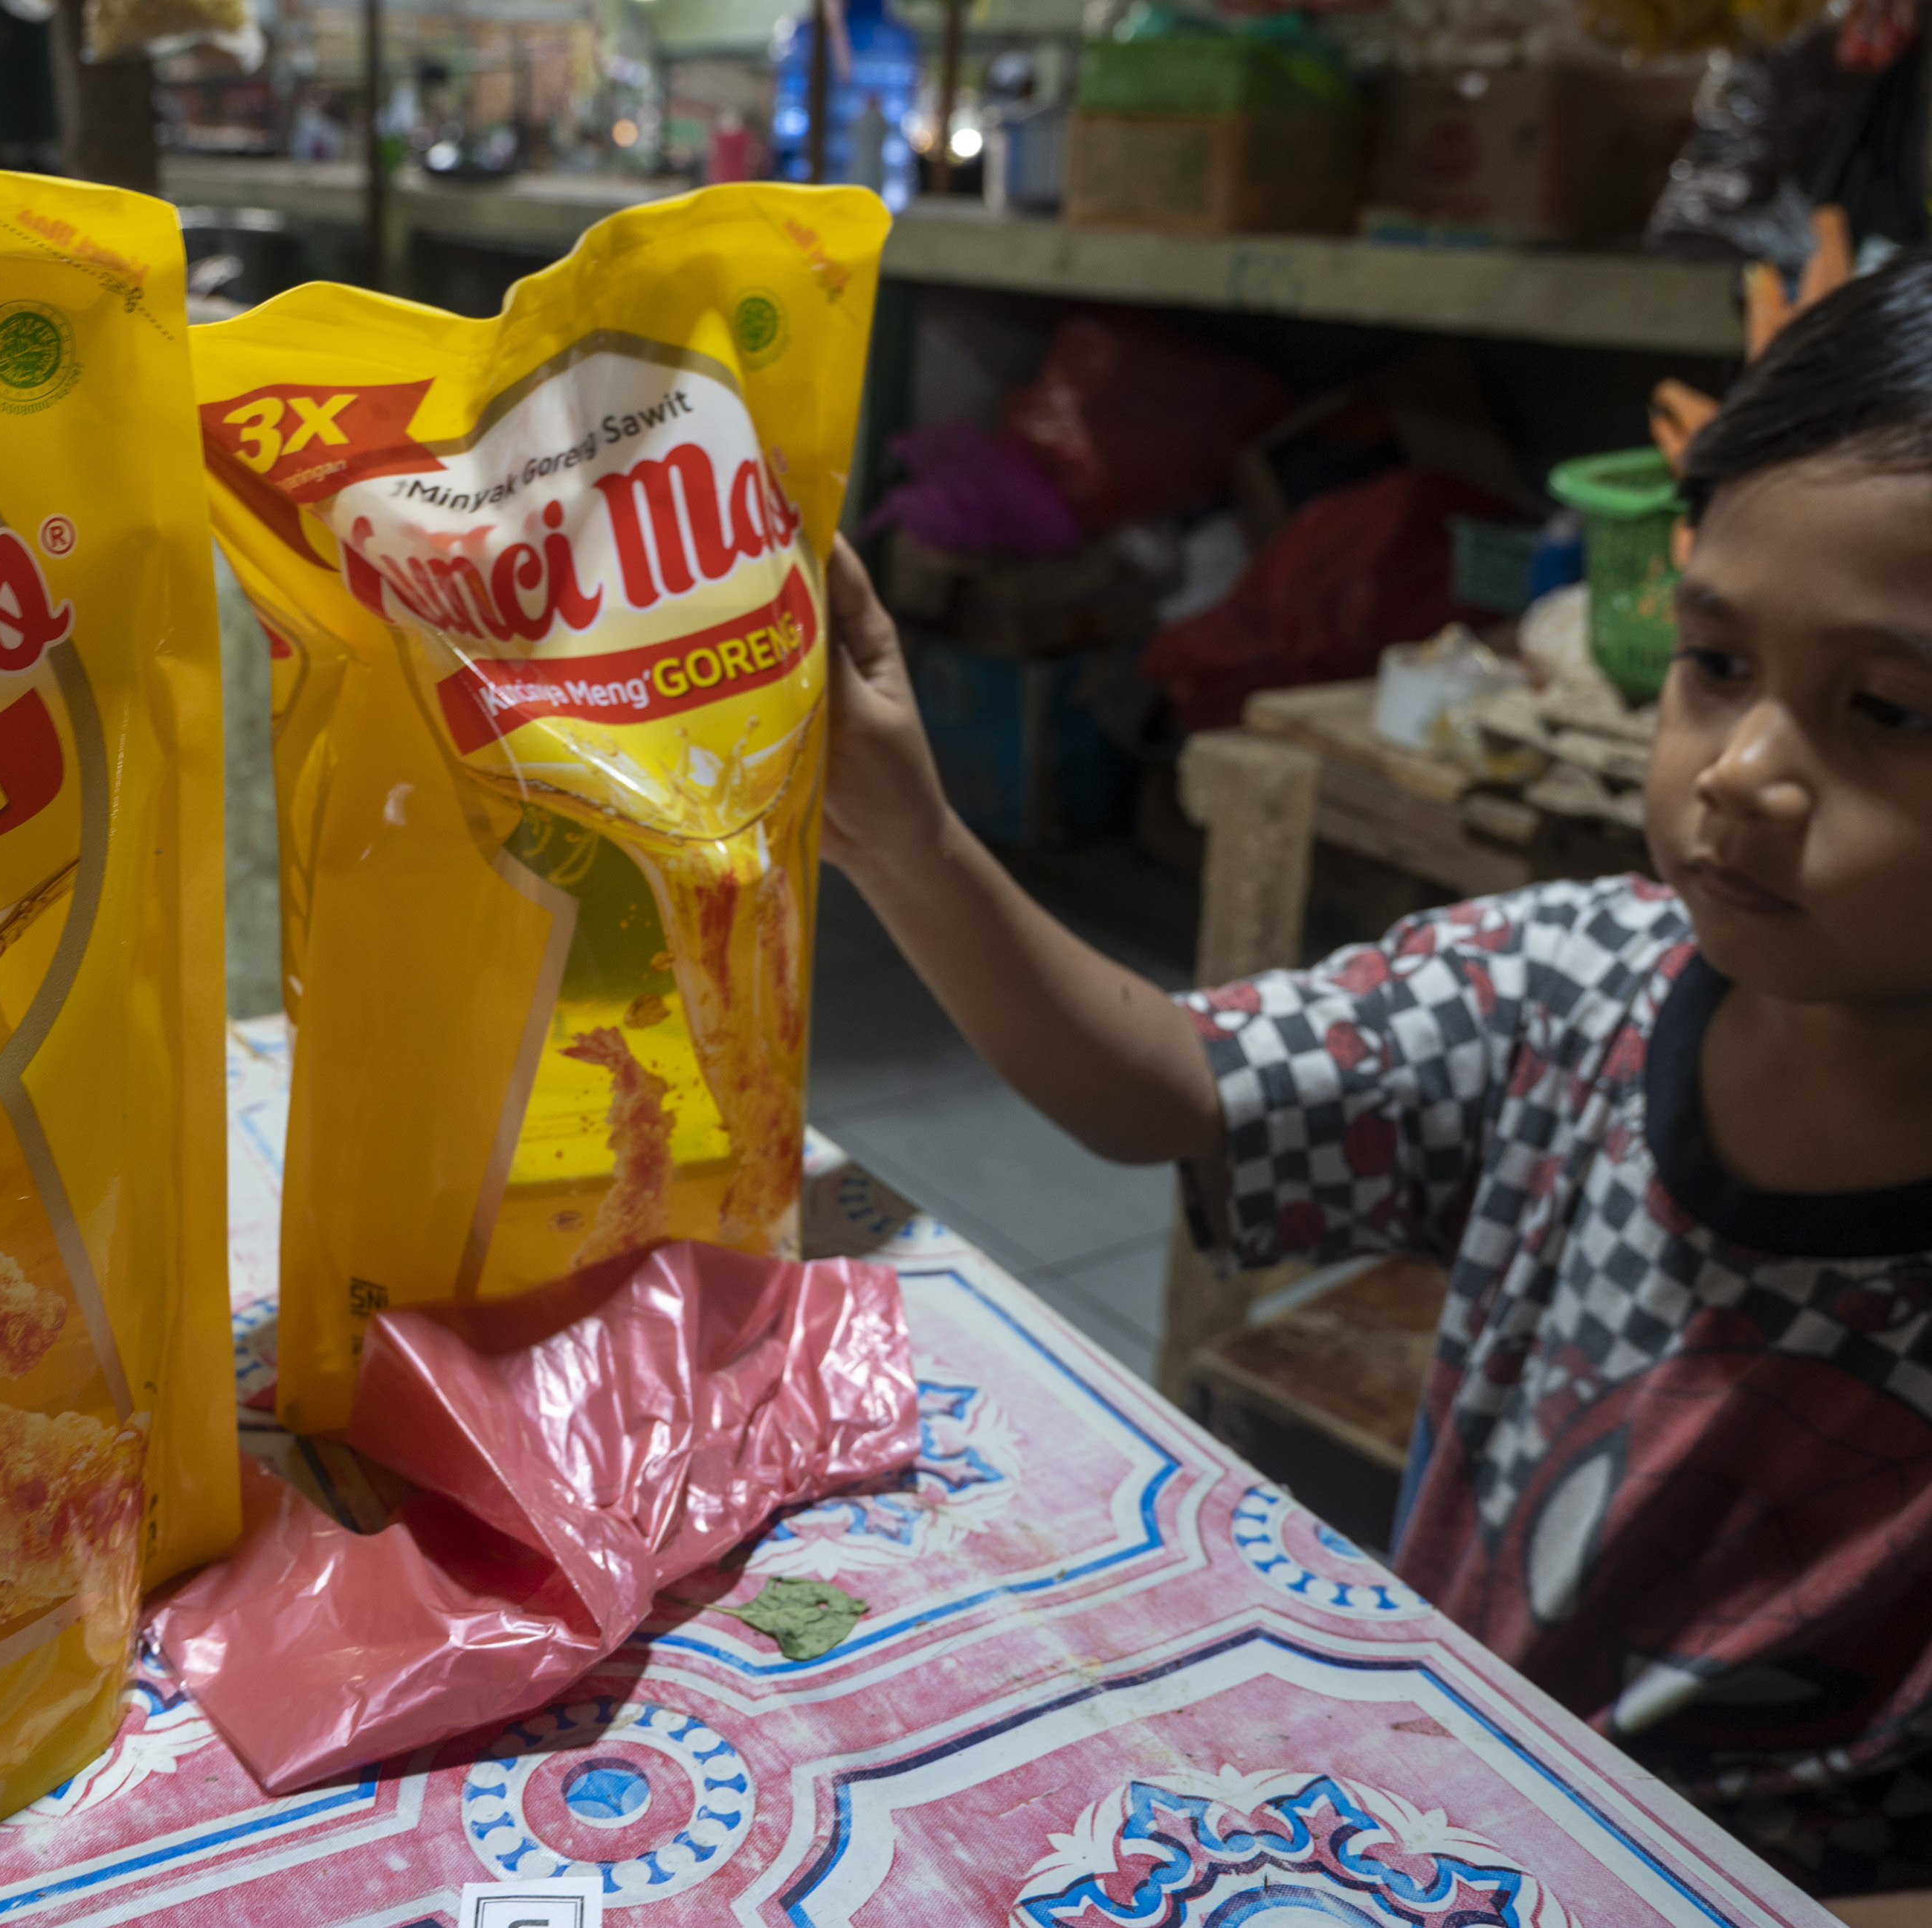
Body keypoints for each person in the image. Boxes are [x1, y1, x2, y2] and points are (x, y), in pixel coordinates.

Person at [820, 250, 1932, 1923]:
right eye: (1713, 666)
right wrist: (906, 836)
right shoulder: (1569, 989)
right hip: (1435, 1822)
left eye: (1887, 711)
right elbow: (1163, 1087)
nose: (1746, 771)